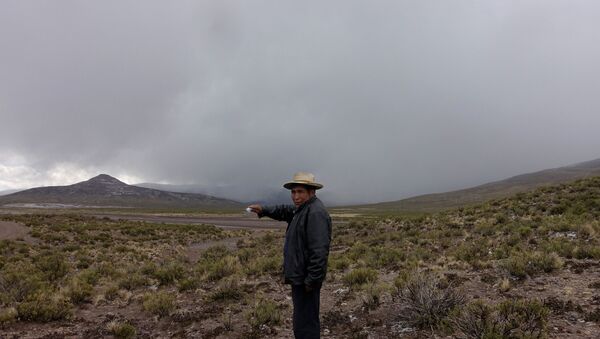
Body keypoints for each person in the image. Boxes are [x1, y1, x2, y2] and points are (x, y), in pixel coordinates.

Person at [248, 172, 332, 339]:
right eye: (293, 192)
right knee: (302, 320)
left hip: (306, 280)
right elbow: (283, 211)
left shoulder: (315, 213)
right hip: (300, 277)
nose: (296, 196)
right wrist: (264, 210)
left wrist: (312, 280)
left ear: (312, 192)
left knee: (306, 324)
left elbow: (319, 251)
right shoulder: (302, 209)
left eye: (300, 191)